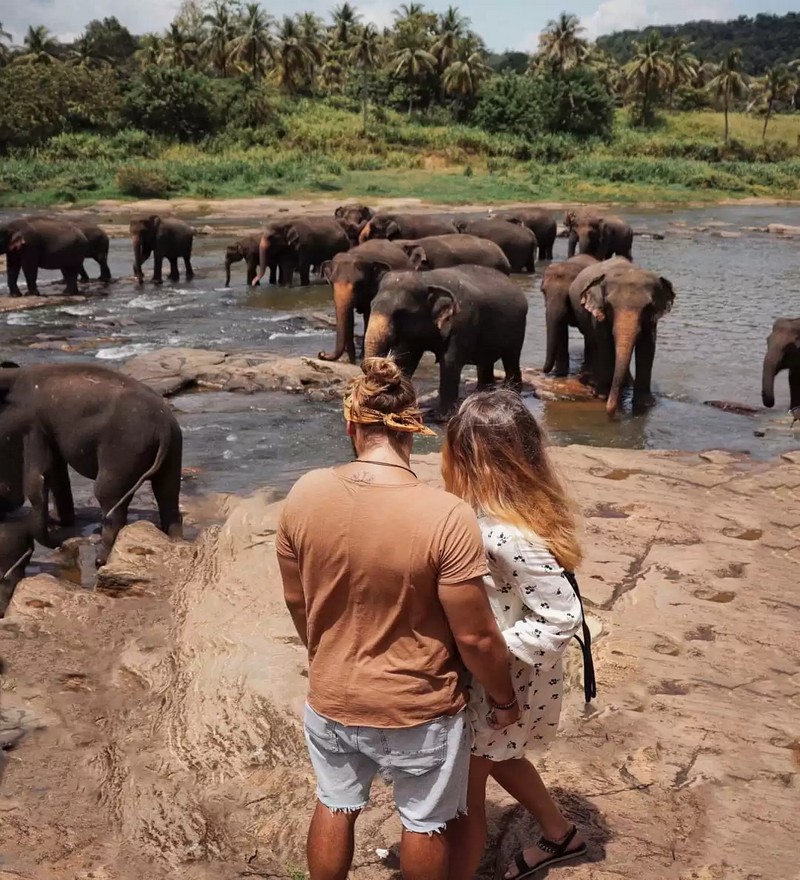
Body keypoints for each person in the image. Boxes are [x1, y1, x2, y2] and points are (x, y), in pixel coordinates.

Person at [275, 358, 520, 880]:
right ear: (415, 431)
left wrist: (323, 655)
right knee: (424, 822)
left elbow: (298, 604)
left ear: (351, 426)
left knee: (335, 803)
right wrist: (503, 699)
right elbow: (475, 636)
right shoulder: (445, 514)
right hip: (419, 705)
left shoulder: (303, 493)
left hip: (333, 695)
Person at [442, 390, 587, 880]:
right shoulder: (517, 514)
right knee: (500, 755)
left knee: (465, 794)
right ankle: (560, 833)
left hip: (504, 679)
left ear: (470, 460)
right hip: (506, 674)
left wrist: (482, 652)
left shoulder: (506, 534)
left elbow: (561, 618)